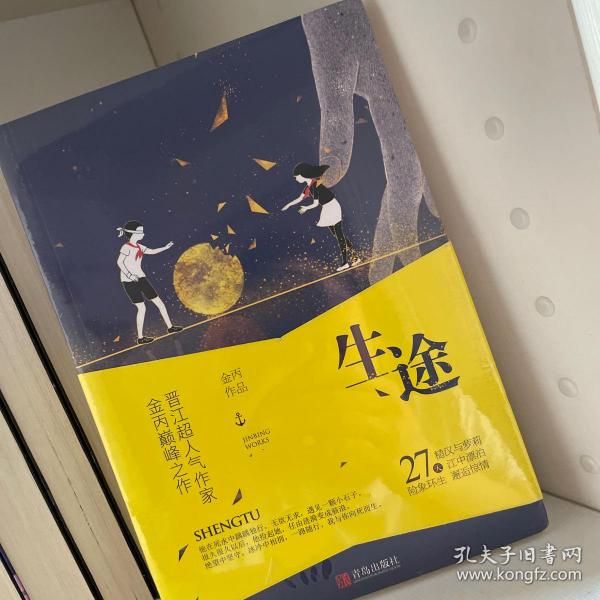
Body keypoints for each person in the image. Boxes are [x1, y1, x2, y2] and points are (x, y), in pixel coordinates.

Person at [282, 162, 360, 271]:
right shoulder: (309, 187)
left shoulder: (314, 186)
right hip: (327, 208)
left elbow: (315, 204)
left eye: (296, 176)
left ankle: (345, 262)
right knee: (338, 235)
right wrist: (288, 205)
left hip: (332, 206)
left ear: (302, 175)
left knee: (339, 235)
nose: (295, 178)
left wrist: (306, 208)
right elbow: (299, 198)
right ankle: (355, 256)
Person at [116, 220, 182, 344]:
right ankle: (140, 338)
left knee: (159, 302)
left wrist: (165, 247)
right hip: (129, 281)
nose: (143, 234)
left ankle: (170, 327)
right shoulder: (126, 247)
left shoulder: (140, 247)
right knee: (142, 308)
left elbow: (152, 251)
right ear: (133, 233)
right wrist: (130, 275)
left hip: (141, 278)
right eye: (140, 231)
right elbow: (119, 262)